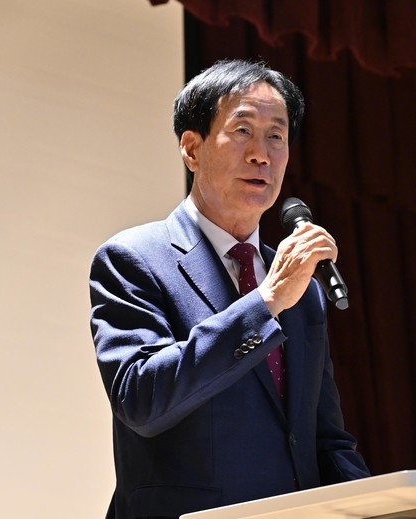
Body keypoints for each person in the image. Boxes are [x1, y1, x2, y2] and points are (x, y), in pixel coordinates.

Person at [89, 59, 370, 519]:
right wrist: (265, 302)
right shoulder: (133, 258)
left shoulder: (302, 290)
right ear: (191, 149)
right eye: (242, 131)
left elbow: (323, 438)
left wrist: (387, 507)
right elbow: (142, 400)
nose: (262, 154)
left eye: (276, 136)